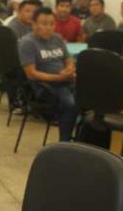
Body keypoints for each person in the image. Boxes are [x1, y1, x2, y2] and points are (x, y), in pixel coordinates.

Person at [18, 8, 78, 141]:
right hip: (45, 87)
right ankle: (65, 142)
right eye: (44, 24)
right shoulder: (27, 43)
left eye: (52, 24)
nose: (49, 28)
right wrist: (58, 78)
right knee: (70, 104)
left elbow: (69, 60)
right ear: (33, 24)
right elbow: (31, 74)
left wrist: (69, 69)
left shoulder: (57, 38)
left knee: (93, 97)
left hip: (65, 80)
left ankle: (84, 139)